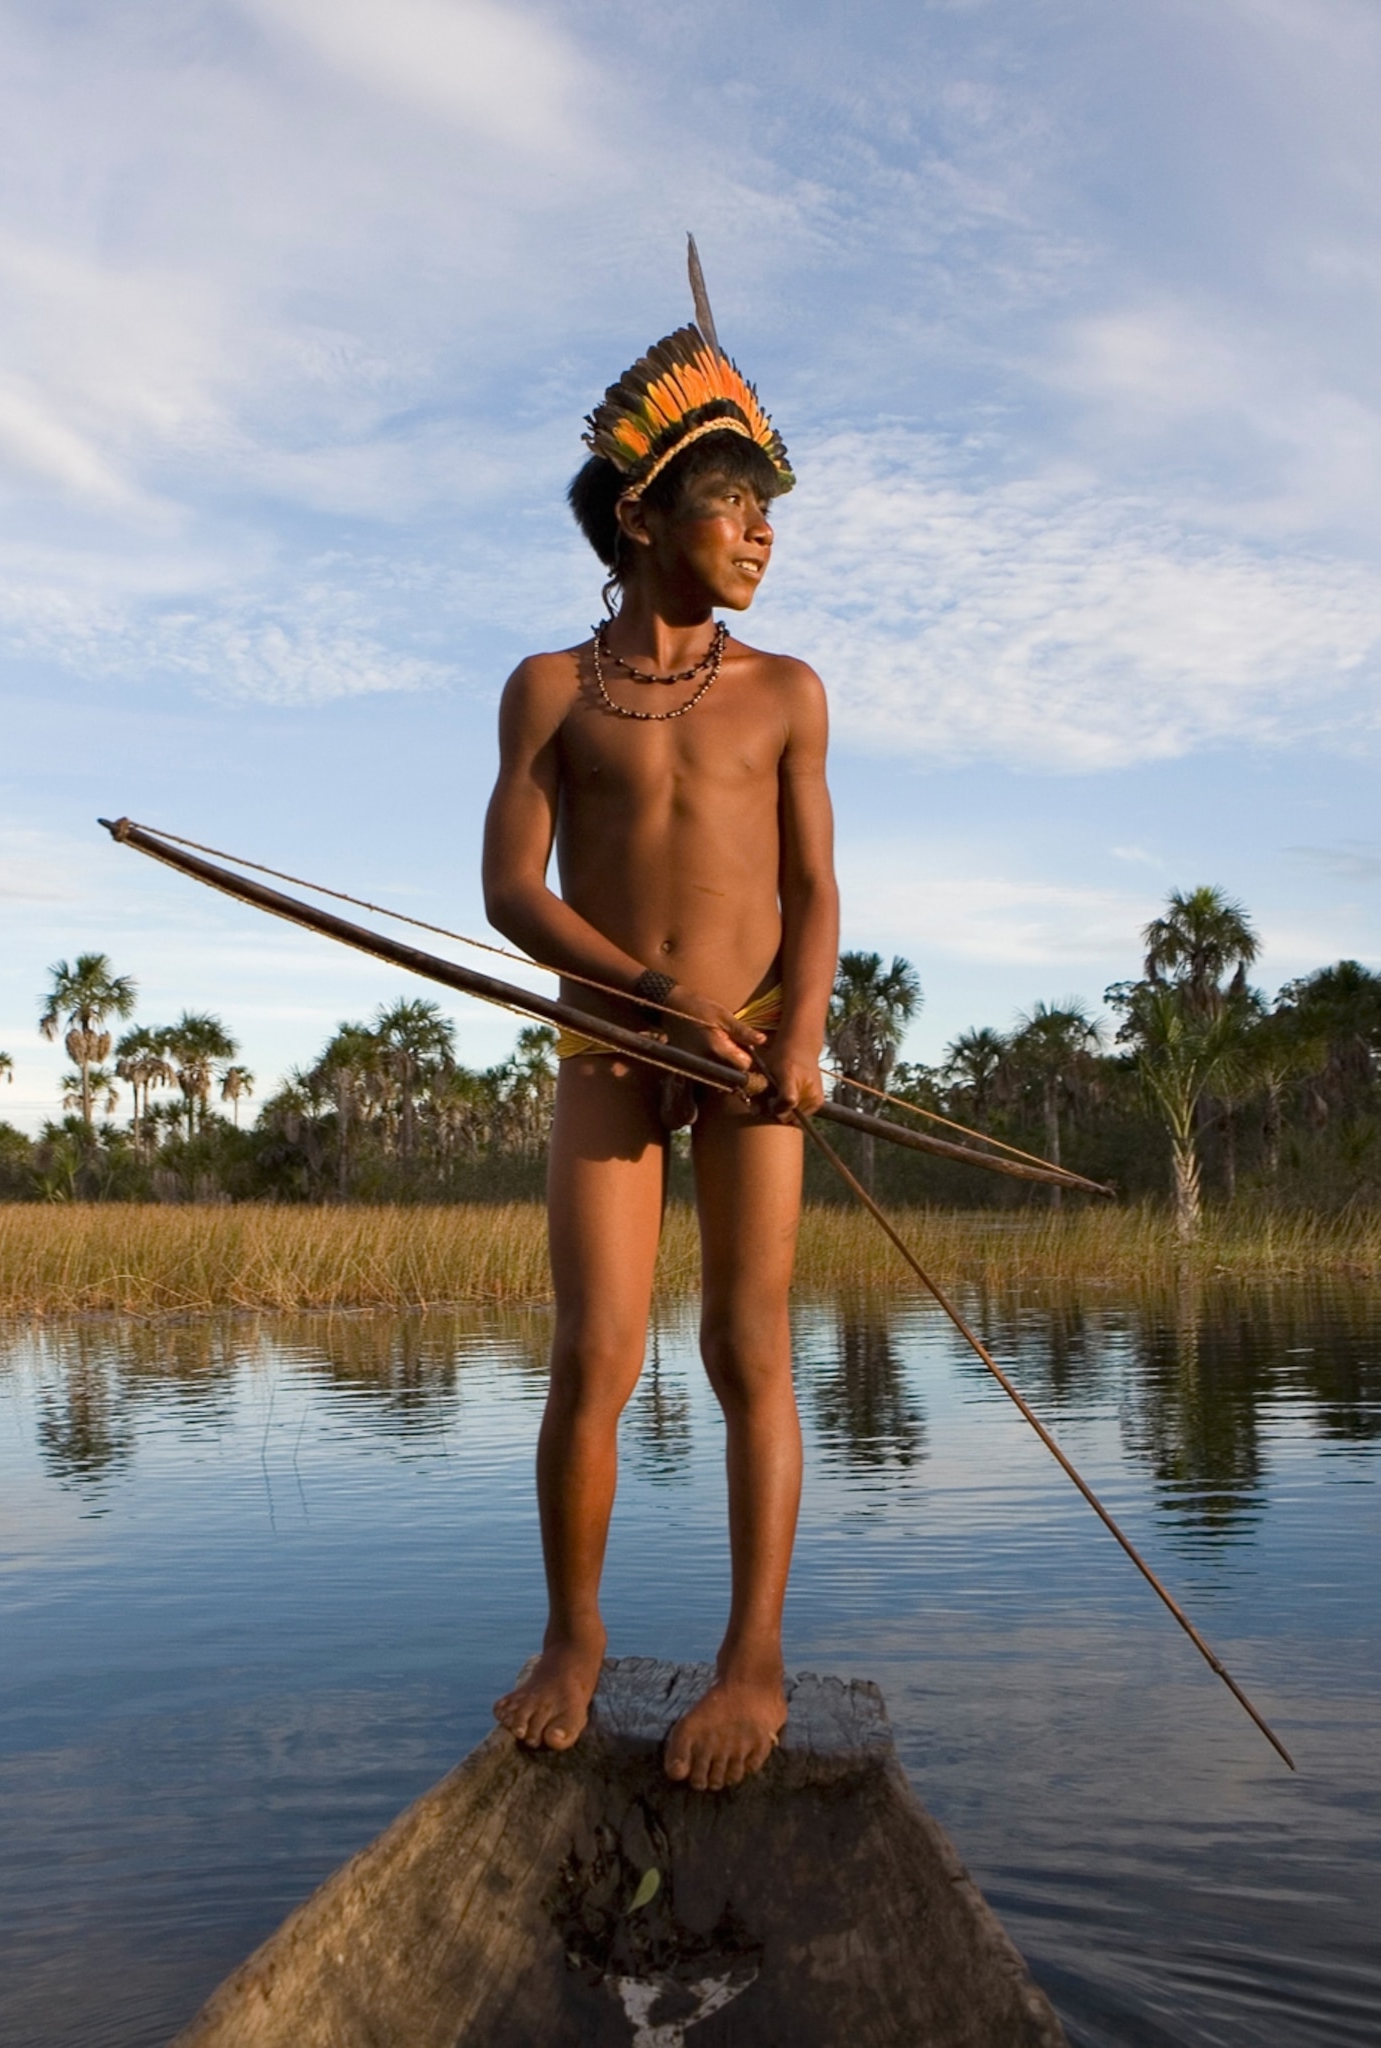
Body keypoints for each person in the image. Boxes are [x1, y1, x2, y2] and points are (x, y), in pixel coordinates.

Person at [479, 250, 836, 1792]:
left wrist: (798, 1033)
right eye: (728, 502)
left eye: (769, 507)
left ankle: (752, 1666)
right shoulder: (551, 689)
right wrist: (647, 993)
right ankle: (576, 1639)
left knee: (750, 1346)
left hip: (754, 1044)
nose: (759, 531)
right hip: (616, 1046)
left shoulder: (789, 693)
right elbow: (509, 892)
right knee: (598, 1355)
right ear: (640, 519)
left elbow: (818, 891)